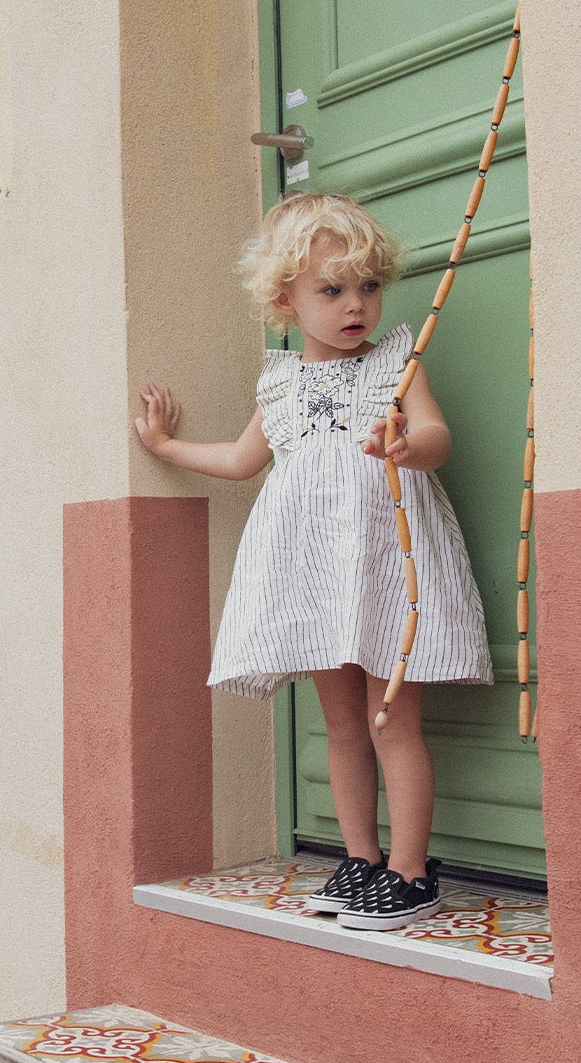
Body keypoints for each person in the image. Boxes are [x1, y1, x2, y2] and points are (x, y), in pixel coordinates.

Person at [134, 192, 491, 929]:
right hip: (317, 575)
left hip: (389, 568)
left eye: (367, 285)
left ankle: (412, 870)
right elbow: (241, 460)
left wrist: (404, 446)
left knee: (391, 719)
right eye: (331, 290)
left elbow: (436, 437)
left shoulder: (397, 362)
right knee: (341, 724)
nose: (354, 304)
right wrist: (167, 449)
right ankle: (360, 858)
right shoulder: (282, 382)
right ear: (285, 299)